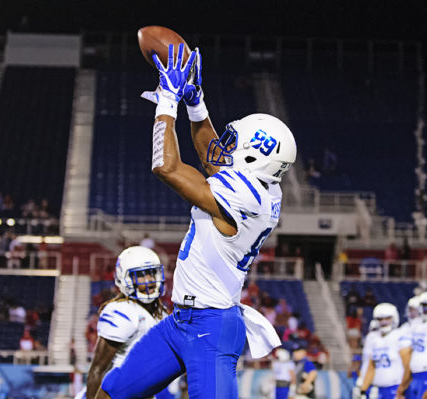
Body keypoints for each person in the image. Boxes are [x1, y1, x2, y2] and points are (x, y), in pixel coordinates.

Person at [96, 44, 296, 399]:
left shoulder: (244, 196)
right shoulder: (261, 187)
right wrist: (196, 102)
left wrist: (168, 101)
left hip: (211, 327)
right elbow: (210, 155)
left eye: (237, 144)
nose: (226, 147)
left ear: (253, 156)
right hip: (180, 321)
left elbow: (166, 167)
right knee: (111, 393)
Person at [74, 246, 168, 399]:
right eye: (141, 275)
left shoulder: (161, 314)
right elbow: (98, 369)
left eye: (151, 273)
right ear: (125, 279)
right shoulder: (123, 311)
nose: (149, 281)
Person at [358, 303, 408, 399]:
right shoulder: (372, 337)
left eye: (387, 318)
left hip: (395, 387)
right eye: (380, 319)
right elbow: (371, 366)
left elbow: (407, 367)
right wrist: (363, 389)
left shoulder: (400, 335)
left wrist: (402, 389)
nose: (384, 322)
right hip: (377, 388)